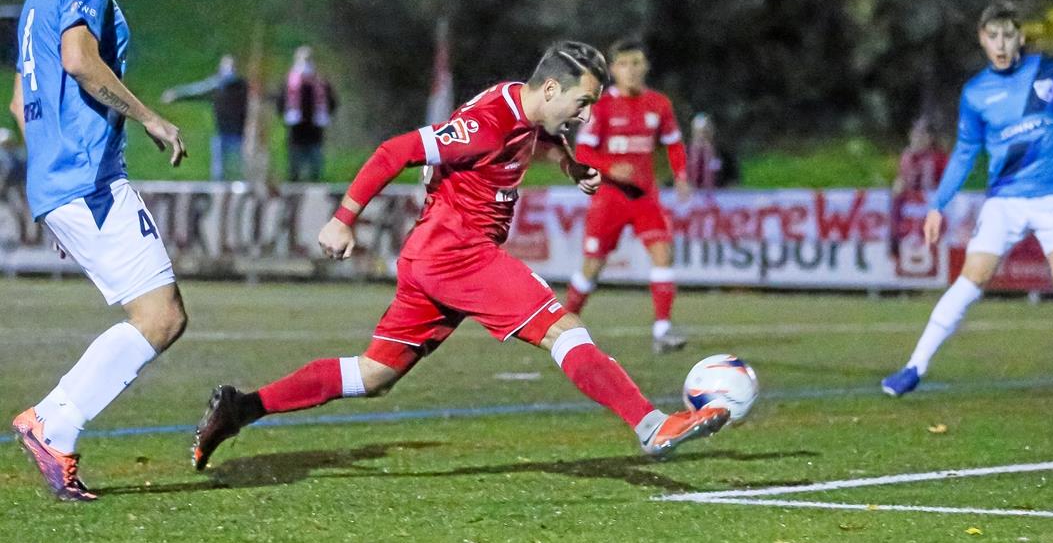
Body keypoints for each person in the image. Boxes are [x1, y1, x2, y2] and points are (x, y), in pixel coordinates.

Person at [192, 42, 729, 470]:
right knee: (561, 329)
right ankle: (649, 423)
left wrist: (568, 164)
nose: (584, 115)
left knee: (374, 374)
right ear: (549, 87)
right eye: (581, 103)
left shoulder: (523, 109)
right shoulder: (486, 123)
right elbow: (395, 151)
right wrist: (343, 218)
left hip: (434, 257)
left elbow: (537, 137)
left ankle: (243, 407)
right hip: (457, 254)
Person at [10, 0, 188, 501]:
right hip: (87, 181)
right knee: (161, 317)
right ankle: (52, 425)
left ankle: (51, 425)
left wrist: (53, 194)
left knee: (158, 314)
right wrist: (151, 118)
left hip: (65, 184)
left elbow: (17, 103)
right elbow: (83, 62)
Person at [881, 0, 1053, 408]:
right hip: (1005, 200)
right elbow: (965, 152)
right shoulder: (977, 93)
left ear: (1021, 36)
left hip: (1052, 196)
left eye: (1008, 34)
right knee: (972, 277)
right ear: (982, 39)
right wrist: (937, 204)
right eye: (992, 36)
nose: (1001, 44)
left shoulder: (1051, 71)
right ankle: (914, 367)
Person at [562, 38, 692, 353]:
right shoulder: (601, 106)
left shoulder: (659, 104)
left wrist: (681, 176)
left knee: (663, 253)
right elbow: (583, 151)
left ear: (645, 66)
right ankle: (564, 327)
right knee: (593, 265)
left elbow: (673, 143)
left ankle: (662, 330)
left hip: (645, 196)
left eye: (636, 63)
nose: (631, 71)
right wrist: (610, 168)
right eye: (623, 64)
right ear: (613, 70)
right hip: (610, 197)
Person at [162, 54, 248, 181]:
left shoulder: (242, 87)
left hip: (239, 135)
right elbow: (197, 91)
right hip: (222, 133)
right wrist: (177, 94)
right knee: (219, 172)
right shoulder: (218, 87)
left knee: (241, 170)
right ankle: (219, 194)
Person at [889, 117, 948, 259]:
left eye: (922, 134)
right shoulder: (907, 156)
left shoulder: (939, 157)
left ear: (930, 138)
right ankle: (894, 241)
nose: (918, 138)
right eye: (915, 134)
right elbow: (903, 178)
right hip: (910, 201)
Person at [277, 45, 336, 181]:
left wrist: (324, 116)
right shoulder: (290, 82)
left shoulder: (321, 82)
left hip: (315, 132)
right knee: (294, 168)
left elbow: (331, 102)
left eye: (308, 59)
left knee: (315, 167)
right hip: (296, 132)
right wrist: (286, 115)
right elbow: (280, 102)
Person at [687, 112, 738, 190]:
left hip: (718, 198)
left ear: (712, 131)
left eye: (706, 131)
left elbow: (733, 179)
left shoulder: (723, 154)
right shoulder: (684, 153)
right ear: (693, 132)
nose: (703, 135)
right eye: (699, 132)